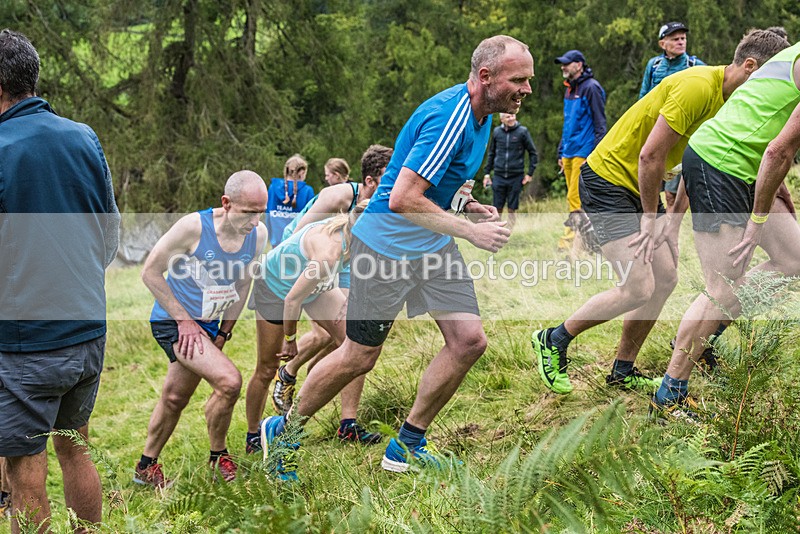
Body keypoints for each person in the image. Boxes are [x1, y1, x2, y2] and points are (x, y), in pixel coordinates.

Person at [256, 34, 527, 480]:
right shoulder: (451, 118)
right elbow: (401, 198)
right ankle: (283, 431)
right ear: (485, 77)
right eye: (519, 79)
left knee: (469, 342)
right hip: (385, 248)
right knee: (359, 356)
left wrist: (467, 206)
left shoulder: (483, 119)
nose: (527, 89)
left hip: (431, 245)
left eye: (527, 80)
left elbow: (435, 186)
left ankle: (407, 446)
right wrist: (470, 231)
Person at [530, 29, 789, 396]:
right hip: (607, 181)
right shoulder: (698, 86)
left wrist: (672, 221)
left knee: (665, 278)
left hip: (637, 186)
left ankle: (622, 369)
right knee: (638, 287)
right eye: (768, 79)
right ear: (750, 66)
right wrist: (651, 220)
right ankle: (553, 338)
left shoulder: (729, 102)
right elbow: (650, 156)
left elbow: (696, 157)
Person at [0, 29, 120, 533]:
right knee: (75, 446)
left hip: (26, 344)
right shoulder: (83, 136)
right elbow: (109, 235)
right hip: (86, 332)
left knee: (24, 467)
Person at [652, 37, 800, 418]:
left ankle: (702, 340)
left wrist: (775, 189)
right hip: (721, 165)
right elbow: (778, 150)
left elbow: (753, 116)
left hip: (743, 167)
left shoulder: (791, 53)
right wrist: (758, 220)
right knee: (722, 288)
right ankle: (671, 393)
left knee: (793, 260)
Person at [135, 171, 268, 488]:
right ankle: (217, 456)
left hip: (209, 326)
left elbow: (243, 282)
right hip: (174, 322)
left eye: (260, 211)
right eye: (249, 212)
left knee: (174, 398)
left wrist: (224, 332)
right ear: (226, 203)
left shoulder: (257, 235)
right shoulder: (193, 227)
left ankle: (144, 467)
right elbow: (150, 273)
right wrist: (184, 321)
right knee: (229, 381)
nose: (255, 220)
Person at [266, 145, 393, 428]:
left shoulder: (379, 207)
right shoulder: (336, 196)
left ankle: (348, 423)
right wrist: (315, 278)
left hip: (345, 257)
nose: (394, 186)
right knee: (332, 337)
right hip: (310, 258)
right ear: (369, 181)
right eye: (388, 179)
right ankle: (289, 374)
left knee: (355, 337)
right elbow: (294, 234)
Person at [245, 201, 380, 457]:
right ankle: (254, 435)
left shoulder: (355, 240)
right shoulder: (328, 253)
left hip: (315, 286)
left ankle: (347, 425)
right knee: (266, 368)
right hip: (276, 289)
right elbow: (292, 300)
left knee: (357, 343)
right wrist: (290, 339)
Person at [639, 22, 707, 209]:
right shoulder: (654, 65)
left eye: (683, 38)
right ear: (663, 43)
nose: (680, 42)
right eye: (675, 39)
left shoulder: (695, 65)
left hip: (681, 134)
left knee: (671, 192)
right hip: (654, 133)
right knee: (648, 185)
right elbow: (643, 98)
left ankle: (669, 231)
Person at [554, 49, 607, 252]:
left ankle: (569, 243)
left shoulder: (591, 88)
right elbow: (568, 123)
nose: (563, 67)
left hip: (583, 152)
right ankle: (588, 242)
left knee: (575, 199)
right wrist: (561, 152)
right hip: (568, 151)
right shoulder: (569, 89)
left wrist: (592, 155)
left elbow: (600, 124)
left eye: (567, 63)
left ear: (579, 65)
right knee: (573, 197)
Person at [482, 113, 538, 228]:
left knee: (512, 208)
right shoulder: (497, 132)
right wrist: (487, 174)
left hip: (516, 176)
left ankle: (509, 232)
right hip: (499, 175)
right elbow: (491, 153)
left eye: (513, 115)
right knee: (497, 207)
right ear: (502, 119)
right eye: (508, 117)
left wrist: (529, 173)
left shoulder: (523, 132)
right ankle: (497, 230)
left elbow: (533, 153)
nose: (511, 118)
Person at [266, 155, 315, 247]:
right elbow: (311, 219)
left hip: (276, 241)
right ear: (302, 172)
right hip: (297, 242)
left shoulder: (273, 188)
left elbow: (268, 214)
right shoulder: (307, 191)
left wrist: (271, 235)